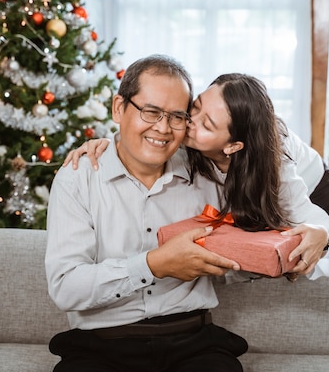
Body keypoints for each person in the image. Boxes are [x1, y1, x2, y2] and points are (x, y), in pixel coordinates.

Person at [45, 54, 249, 372]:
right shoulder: (79, 176)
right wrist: (154, 265)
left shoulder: (206, 172)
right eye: (151, 112)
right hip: (100, 346)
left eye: (177, 117)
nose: (163, 129)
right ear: (118, 108)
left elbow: (245, 251)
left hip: (192, 343)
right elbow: (66, 288)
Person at [65, 74, 329, 277]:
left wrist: (324, 236)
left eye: (206, 124)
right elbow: (143, 136)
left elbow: (328, 233)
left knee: (300, 257)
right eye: (196, 107)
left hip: (313, 186)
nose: (188, 123)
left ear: (233, 146)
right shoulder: (192, 140)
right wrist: (108, 145)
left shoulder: (276, 167)